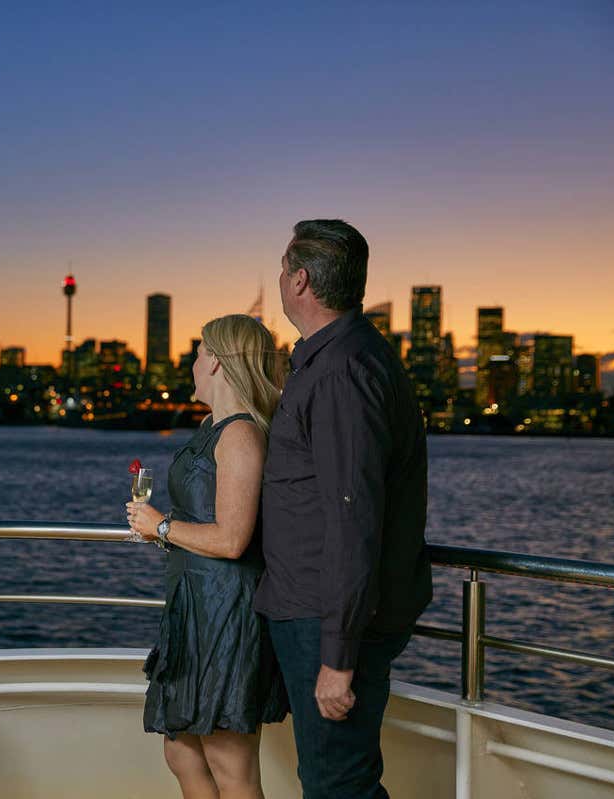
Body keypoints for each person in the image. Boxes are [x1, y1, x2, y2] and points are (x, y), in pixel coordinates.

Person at [256, 219, 432, 798]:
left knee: (337, 786)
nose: (280, 279)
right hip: (317, 610)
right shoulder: (333, 360)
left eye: (283, 270)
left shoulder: (339, 373)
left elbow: (353, 518)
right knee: (333, 781)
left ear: (300, 280)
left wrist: (337, 656)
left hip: (325, 618)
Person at [127, 313, 289, 799]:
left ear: (217, 361)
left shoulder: (241, 434)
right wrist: (162, 532)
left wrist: (161, 525)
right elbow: (204, 521)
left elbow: (234, 540)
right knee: (182, 752)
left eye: (199, 352)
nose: (193, 362)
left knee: (230, 764)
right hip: (194, 607)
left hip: (225, 614)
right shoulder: (209, 426)